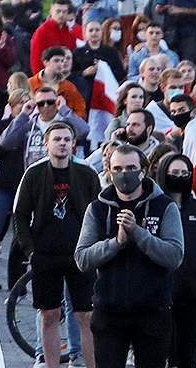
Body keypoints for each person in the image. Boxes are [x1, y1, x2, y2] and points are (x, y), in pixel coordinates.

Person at [76, 142, 184, 368]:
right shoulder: (97, 208)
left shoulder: (164, 206)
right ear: (109, 172)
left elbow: (174, 255)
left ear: (143, 171)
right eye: (117, 169)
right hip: (109, 312)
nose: (124, 174)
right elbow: (82, 258)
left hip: (152, 311)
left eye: (130, 168)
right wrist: (116, 243)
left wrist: (139, 234)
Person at [11, 119, 98, 368]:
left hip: (80, 254)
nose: (62, 144)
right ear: (46, 143)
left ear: (73, 145)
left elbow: (99, 213)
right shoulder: (34, 174)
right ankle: (50, 364)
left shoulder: (86, 174)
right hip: (45, 253)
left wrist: (95, 248)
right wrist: (29, 249)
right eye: (57, 139)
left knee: (86, 314)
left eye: (67, 139)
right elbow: (20, 214)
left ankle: (88, 363)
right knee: (49, 314)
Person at [153, 148, 196, 368]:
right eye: (175, 172)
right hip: (162, 295)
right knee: (164, 354)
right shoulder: (155, 206)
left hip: (193, 294)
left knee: (188, 356)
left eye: (184, 173)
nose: (180, 177)